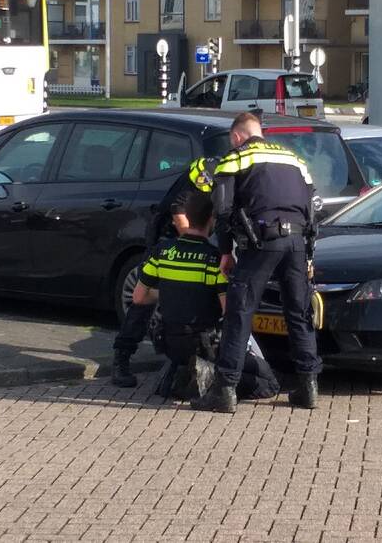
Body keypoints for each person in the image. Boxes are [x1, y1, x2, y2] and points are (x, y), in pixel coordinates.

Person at [192, 112, 322, 413]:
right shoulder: (294, 159)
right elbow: (312, 207)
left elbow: (223, 210)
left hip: (260, 242)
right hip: (297, 243)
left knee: (239, 312)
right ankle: (308, 387)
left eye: (231, 140)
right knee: (299, 313)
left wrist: (225, 251)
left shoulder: (235, 158)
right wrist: (309, 253)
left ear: (237, 136)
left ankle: (225, 390)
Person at [131, 192, 280, 401]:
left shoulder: (162, 252)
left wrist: (168, 292)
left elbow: (138, 298)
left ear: (186, 217)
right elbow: (228, 312)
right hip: (204, 344)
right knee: (269, 383)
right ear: (212, 218)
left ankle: (179, 374)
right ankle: (207, 378)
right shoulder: (215, 259)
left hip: (169, 342)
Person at [111, 157, 217, 387]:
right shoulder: (199, 179)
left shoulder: (226, 176)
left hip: (196, 241)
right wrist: (203, 245)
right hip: (168, 242)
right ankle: (122, 360)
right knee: (143, 304)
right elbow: (181, 220)